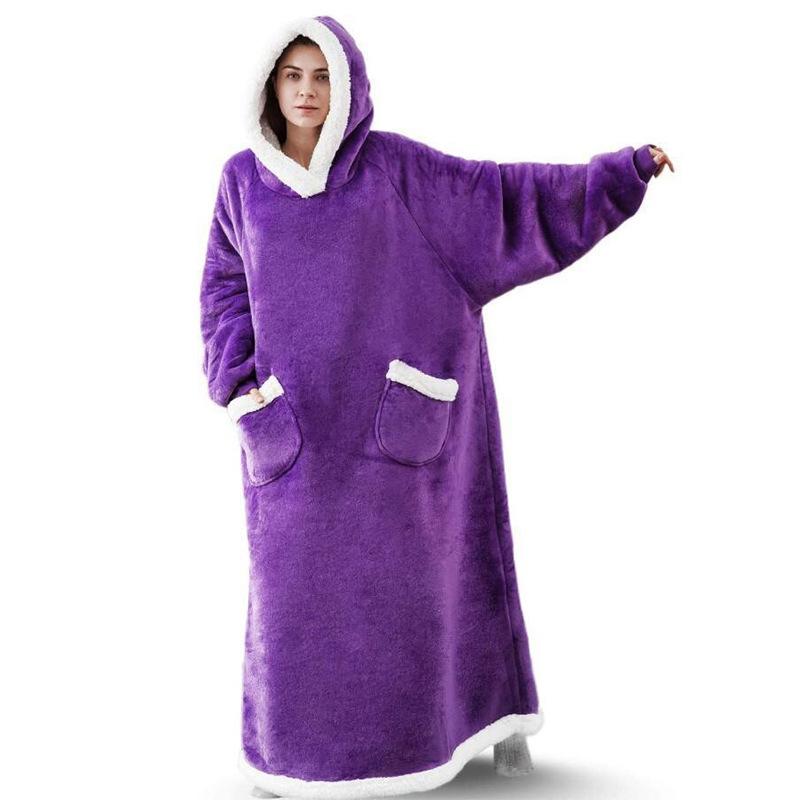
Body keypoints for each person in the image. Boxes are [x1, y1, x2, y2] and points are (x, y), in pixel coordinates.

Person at [199, 14, 674, 800]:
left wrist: (618, 174)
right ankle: (294, 756)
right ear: (270, 86)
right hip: (291, 441)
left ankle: (476, 724)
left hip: (397, 447)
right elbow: (222, 288)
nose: (308, 92)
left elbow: (510, 201)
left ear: (348, 87)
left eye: (323, 76)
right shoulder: (241, 183)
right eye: (293, 76)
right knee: (296, 611)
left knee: (424, 592)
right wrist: (238, 386)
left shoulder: (399, 174)